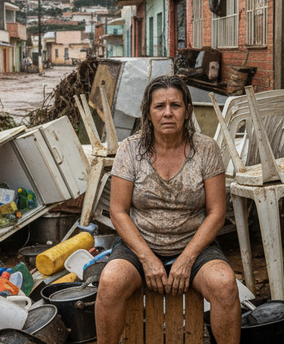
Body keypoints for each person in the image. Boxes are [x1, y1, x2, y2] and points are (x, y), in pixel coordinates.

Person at [95, 75, 241, 344]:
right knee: (110, 282)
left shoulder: (206, 149)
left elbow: (217, 213)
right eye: (159, 106)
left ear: (187, 110)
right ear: (148, 112)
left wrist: (187, 259)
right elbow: (118, 211)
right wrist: (147, 258)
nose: (168, 113)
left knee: (225, 285)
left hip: (194, 246)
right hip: (139, 246)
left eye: (175, 105)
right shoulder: (130, 150)